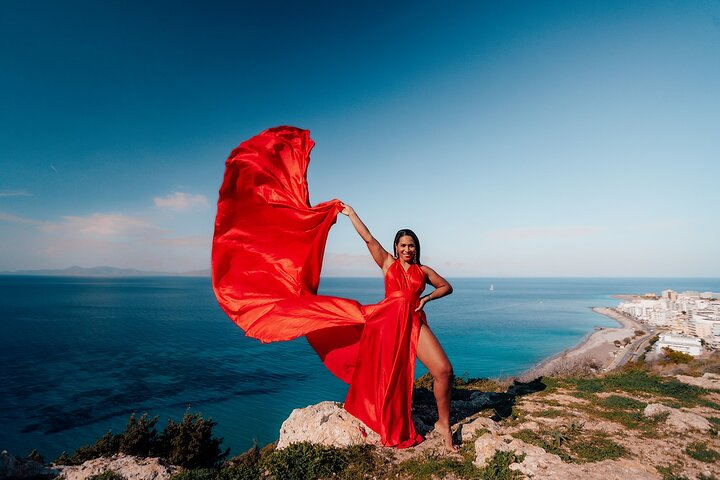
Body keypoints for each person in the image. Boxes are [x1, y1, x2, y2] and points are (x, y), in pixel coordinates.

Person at [339, 203, 457, 451]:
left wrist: (426, 298)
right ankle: (383, 416)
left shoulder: (423, 271)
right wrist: (351, 214)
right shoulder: (387, 263)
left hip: (414, 324)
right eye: (402, 245)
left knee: (444, 370)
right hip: (387, 327)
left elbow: (446, 286)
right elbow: (368, 238)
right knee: (388, 379)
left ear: (416, 248)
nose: (407, 249)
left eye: (411, 245)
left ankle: (443, 424)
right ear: (396, 247)